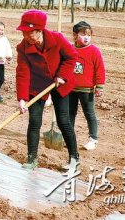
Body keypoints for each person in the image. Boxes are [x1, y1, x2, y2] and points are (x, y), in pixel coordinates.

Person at [15, 9, 80, 171]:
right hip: (37, 86)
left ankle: (74, 159)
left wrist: (62, 75)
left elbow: (72, 57)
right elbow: (22, 72)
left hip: (61, 83)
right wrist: (22, 98)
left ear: (39, 31)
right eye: (23, 32)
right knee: (34, 121)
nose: (25, 36)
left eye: (28, 33)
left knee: (63, 121)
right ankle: (31, 158)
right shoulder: (23, 47)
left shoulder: (57, 39)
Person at [69, 21, 105, 151]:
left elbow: (100, 69)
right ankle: (69, 137)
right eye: (83, 34)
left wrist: (99, 86)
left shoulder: (94, 51)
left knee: (89, 114)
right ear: (74, 35)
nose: (86, 37)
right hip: (71, 89)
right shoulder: (70, 49)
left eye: (89, 35)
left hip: (87, 89)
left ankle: (93, 139)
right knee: (70, 113)